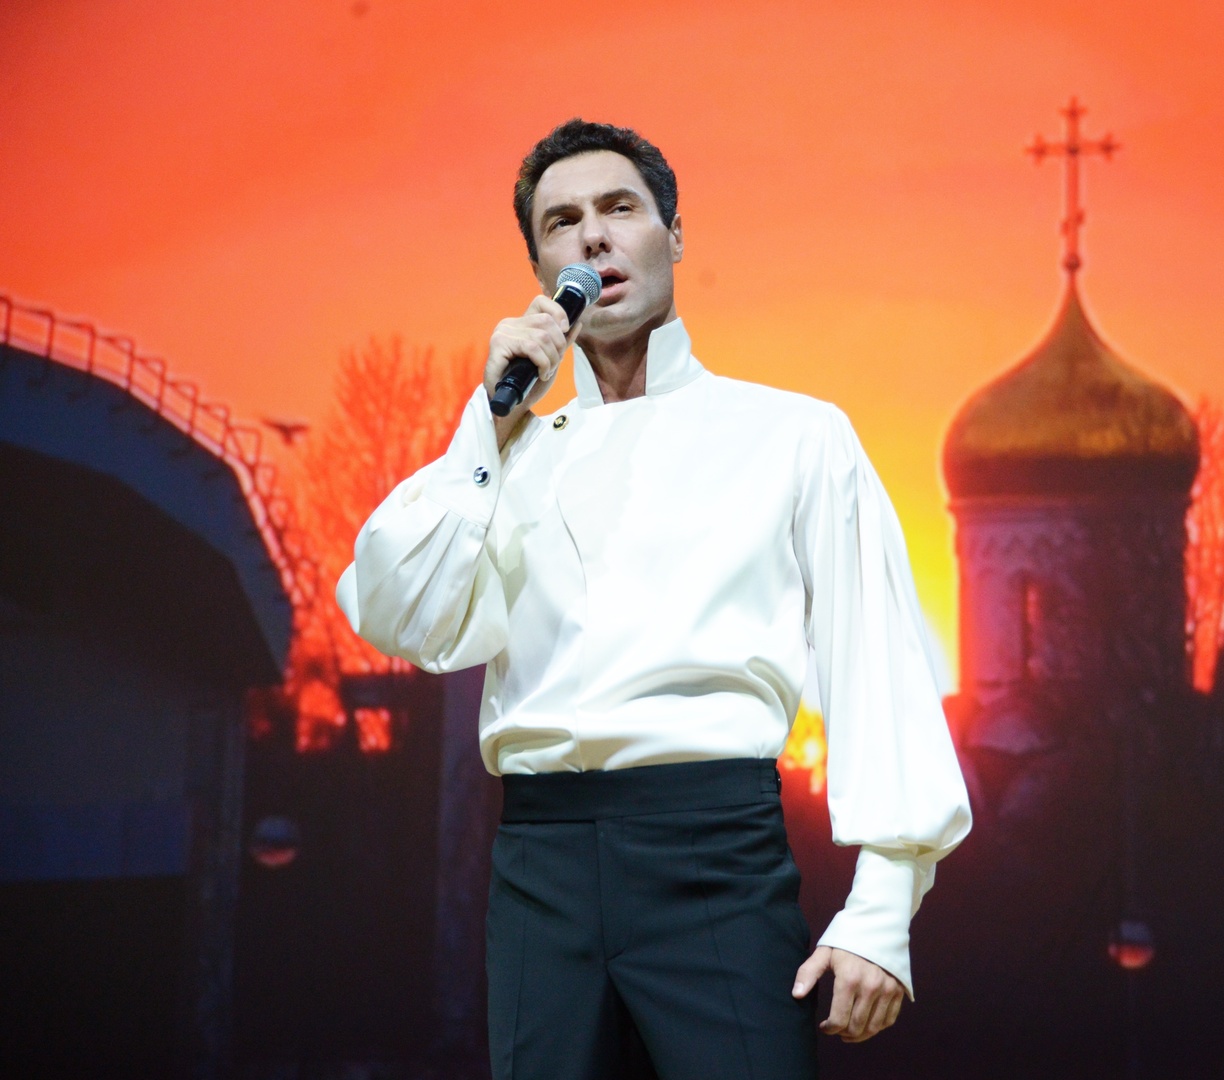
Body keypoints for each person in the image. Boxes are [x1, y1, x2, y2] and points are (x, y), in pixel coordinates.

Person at [337, 118, 971, 1080]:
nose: (592, 235)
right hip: (539, 864)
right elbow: (401, 617)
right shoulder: (505, 457)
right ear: (541, 267)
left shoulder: (793, 435)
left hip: (713, 852)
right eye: (561, 222)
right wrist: (488, 421)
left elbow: (875, 665)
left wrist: (881, 910)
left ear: (673, 236)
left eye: (619, 208)